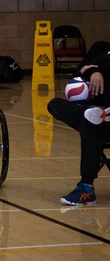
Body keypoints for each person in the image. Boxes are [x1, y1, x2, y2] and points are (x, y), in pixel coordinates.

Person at [48, 41, 110, 206]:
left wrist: (95, 69)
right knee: (55, 104)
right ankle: (95, 114)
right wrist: (94, 70)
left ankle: (86, 188)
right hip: (93, 112)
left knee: (89, 124)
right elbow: (78, 73)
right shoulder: (101, 48)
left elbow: (87, 70)